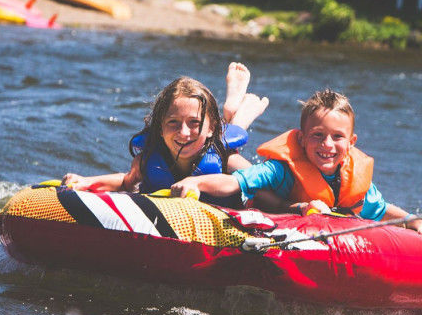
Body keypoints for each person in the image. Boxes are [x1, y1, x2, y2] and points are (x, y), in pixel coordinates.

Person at [169, 88, 422, 235]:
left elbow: (381, 209)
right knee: (227, 160)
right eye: (318, 135)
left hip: (291, 204)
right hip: (261, 195)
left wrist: (412, 220)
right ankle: (233, 118)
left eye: (337, 137)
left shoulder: (351, 178)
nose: (327, 145)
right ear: (301, 139)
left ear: (351, 143)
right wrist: (196, 181)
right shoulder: (282, 168)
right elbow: (233, 184)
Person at [61, 63, 269, 207]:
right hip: (210, 130)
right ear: (159, 128)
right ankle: (227, 112)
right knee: (211, 133)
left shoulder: (228, 161)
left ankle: (236, 110)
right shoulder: (146, 161)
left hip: (216, 141)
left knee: (228, 138)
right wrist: (88, 181)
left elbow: (264, 182)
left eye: (193, 123)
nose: (183, 132)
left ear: (209, 127)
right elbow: (126, 183)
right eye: (173, 122)